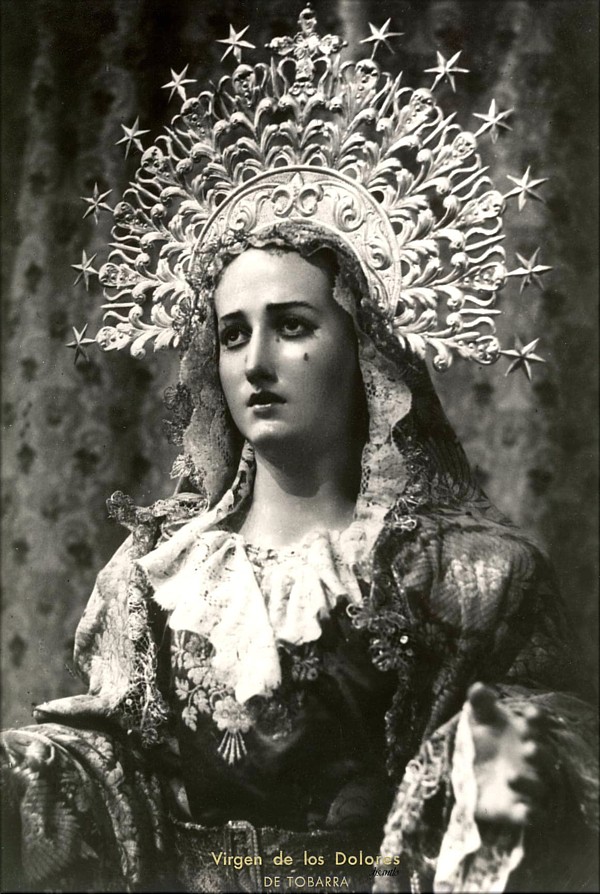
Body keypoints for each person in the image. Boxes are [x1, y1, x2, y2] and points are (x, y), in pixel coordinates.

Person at [1, 7, 597, 893]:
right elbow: (111, 766)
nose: (256, 363)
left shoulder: (477, 578)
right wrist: (34, 771)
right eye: (233, 334)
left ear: (364, 351)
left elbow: (556, 751)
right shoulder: (151, 577)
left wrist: (500, 748)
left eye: (291, 326)